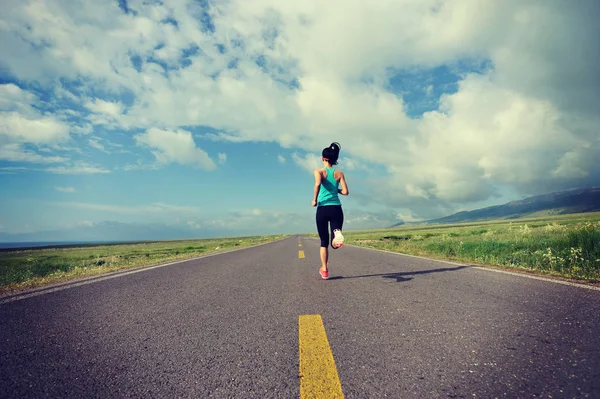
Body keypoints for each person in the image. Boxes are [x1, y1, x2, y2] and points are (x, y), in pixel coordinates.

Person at [311, 142, 349, 280]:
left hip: (323, 208)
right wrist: (336, 190)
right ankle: (336, 233)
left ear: (323, 158)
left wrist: (314, 200)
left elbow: (317, 184)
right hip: (336, 208)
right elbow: (345, 192)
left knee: (323, 241)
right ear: (334, 159)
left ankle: (325, 270)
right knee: (335, 243)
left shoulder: (319, 172)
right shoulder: (339, 173)